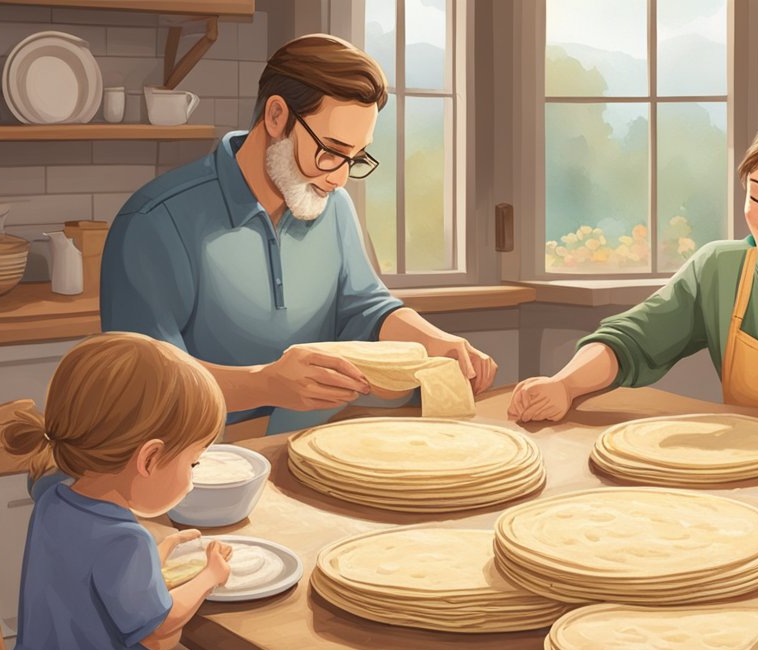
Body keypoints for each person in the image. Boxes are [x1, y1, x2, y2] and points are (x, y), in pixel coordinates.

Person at [101, 34, 496, 434]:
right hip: (196, 461)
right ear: (276, 116)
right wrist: (266, 385)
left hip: (312, 441)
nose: (340, 177)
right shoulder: (154, 221)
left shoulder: (332, 206)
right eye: (330, 150)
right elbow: (145, 382)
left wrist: (436, 341)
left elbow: (365, 307)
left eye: (355, 157)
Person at [508, 109, 758, 423]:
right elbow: (633, 339)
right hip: (740, 464)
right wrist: (564, 385)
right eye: (757, 195)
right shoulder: (718, 269)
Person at [0, 333, 234, 650]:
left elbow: (84, 580)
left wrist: (155, 559)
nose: (194, 477)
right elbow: (158, 626)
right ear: (149, 459)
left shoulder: (54, 500)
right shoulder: (126, 539)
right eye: (193, 462)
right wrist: (210, 575)